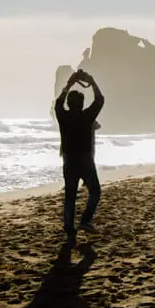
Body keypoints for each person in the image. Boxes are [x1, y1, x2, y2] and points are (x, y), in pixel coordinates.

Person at [55, 69, 105, 239]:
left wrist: (68, 84)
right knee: (95, 191)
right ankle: (85, 220)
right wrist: (92, 82)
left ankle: (69, 228)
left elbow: (58, 103)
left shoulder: (63, 117)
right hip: (84, 159)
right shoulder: (86, 117)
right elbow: (100, 100)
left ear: (69, 103)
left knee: (70, 195)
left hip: (68, 159)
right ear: (82, 104)